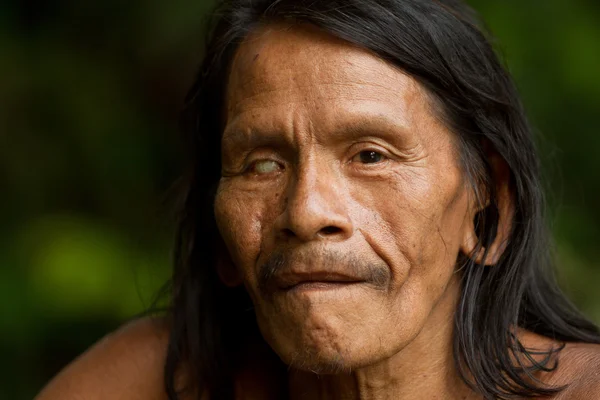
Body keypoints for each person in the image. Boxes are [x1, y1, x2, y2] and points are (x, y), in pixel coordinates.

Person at [36, 0, 600, 399]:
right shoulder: (150, 384)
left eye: (372, 156)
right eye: (262, 165)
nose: (306, 213)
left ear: (487, 212)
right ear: (223, 243)